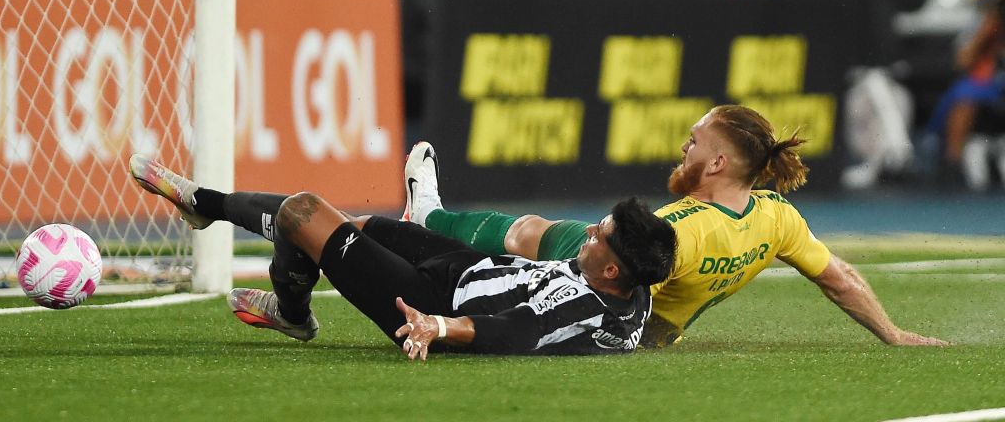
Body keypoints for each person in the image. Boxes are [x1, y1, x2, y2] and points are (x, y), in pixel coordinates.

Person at [404, 105, 949, 348]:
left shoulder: (676, 230)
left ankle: (425, 222)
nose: (683, 148)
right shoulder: (778, 218)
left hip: (606, 278)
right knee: (531, 232)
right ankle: (427, 216)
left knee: (526, 241)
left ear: (715, 165)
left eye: (693, 142)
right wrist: (893, 335)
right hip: (651, 323)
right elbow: (839, 278)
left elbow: (605, 300)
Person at [128, 155, 678, 359]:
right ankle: (294, 315)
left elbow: (515, 331)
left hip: (426, 301)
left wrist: (439, 326)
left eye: (595, 237)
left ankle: (202, 204)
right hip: (466, 269)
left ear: (610, 270)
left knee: (303, 215)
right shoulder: (631, 282)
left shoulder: (583, 306)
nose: (586, 236)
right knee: (354, 228)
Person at [922, 0, 1005, 186]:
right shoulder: (982, 23)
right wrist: (987, 31)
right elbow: (962, 61)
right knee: (963, 96)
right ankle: (953, 164)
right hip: (987, 85)